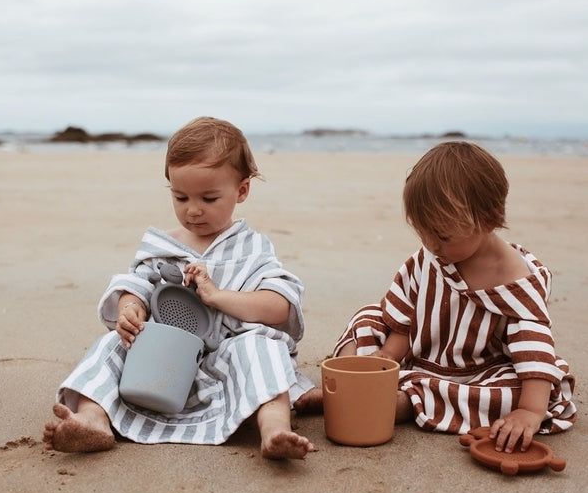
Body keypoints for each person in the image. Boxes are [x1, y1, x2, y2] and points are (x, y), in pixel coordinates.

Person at [43, 117, 316, 460]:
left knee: (262, 350)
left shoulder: (251, 248)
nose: (193, 210)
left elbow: (280, 305)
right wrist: (131, 310)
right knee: (110, 345)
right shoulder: (162, 244)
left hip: (226, 359)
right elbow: (136, 284)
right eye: (181, 196)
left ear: (242, 191)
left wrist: (218, 296)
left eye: (209, 197)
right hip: (159, 361)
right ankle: (93, 419)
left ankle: (275, 428)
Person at [308, 141, 576, 453]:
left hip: (477, 373)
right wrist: (386, 358)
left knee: (512, 393)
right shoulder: (433, 255)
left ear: (489, 221)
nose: (431, 244)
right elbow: (404, 317)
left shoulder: (515, 281)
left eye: (443, 236)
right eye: (423, 232)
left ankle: (402, 404)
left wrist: (529, 411)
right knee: (367, 317)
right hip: (418, 353)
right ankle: (356, 379)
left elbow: (533, 353)